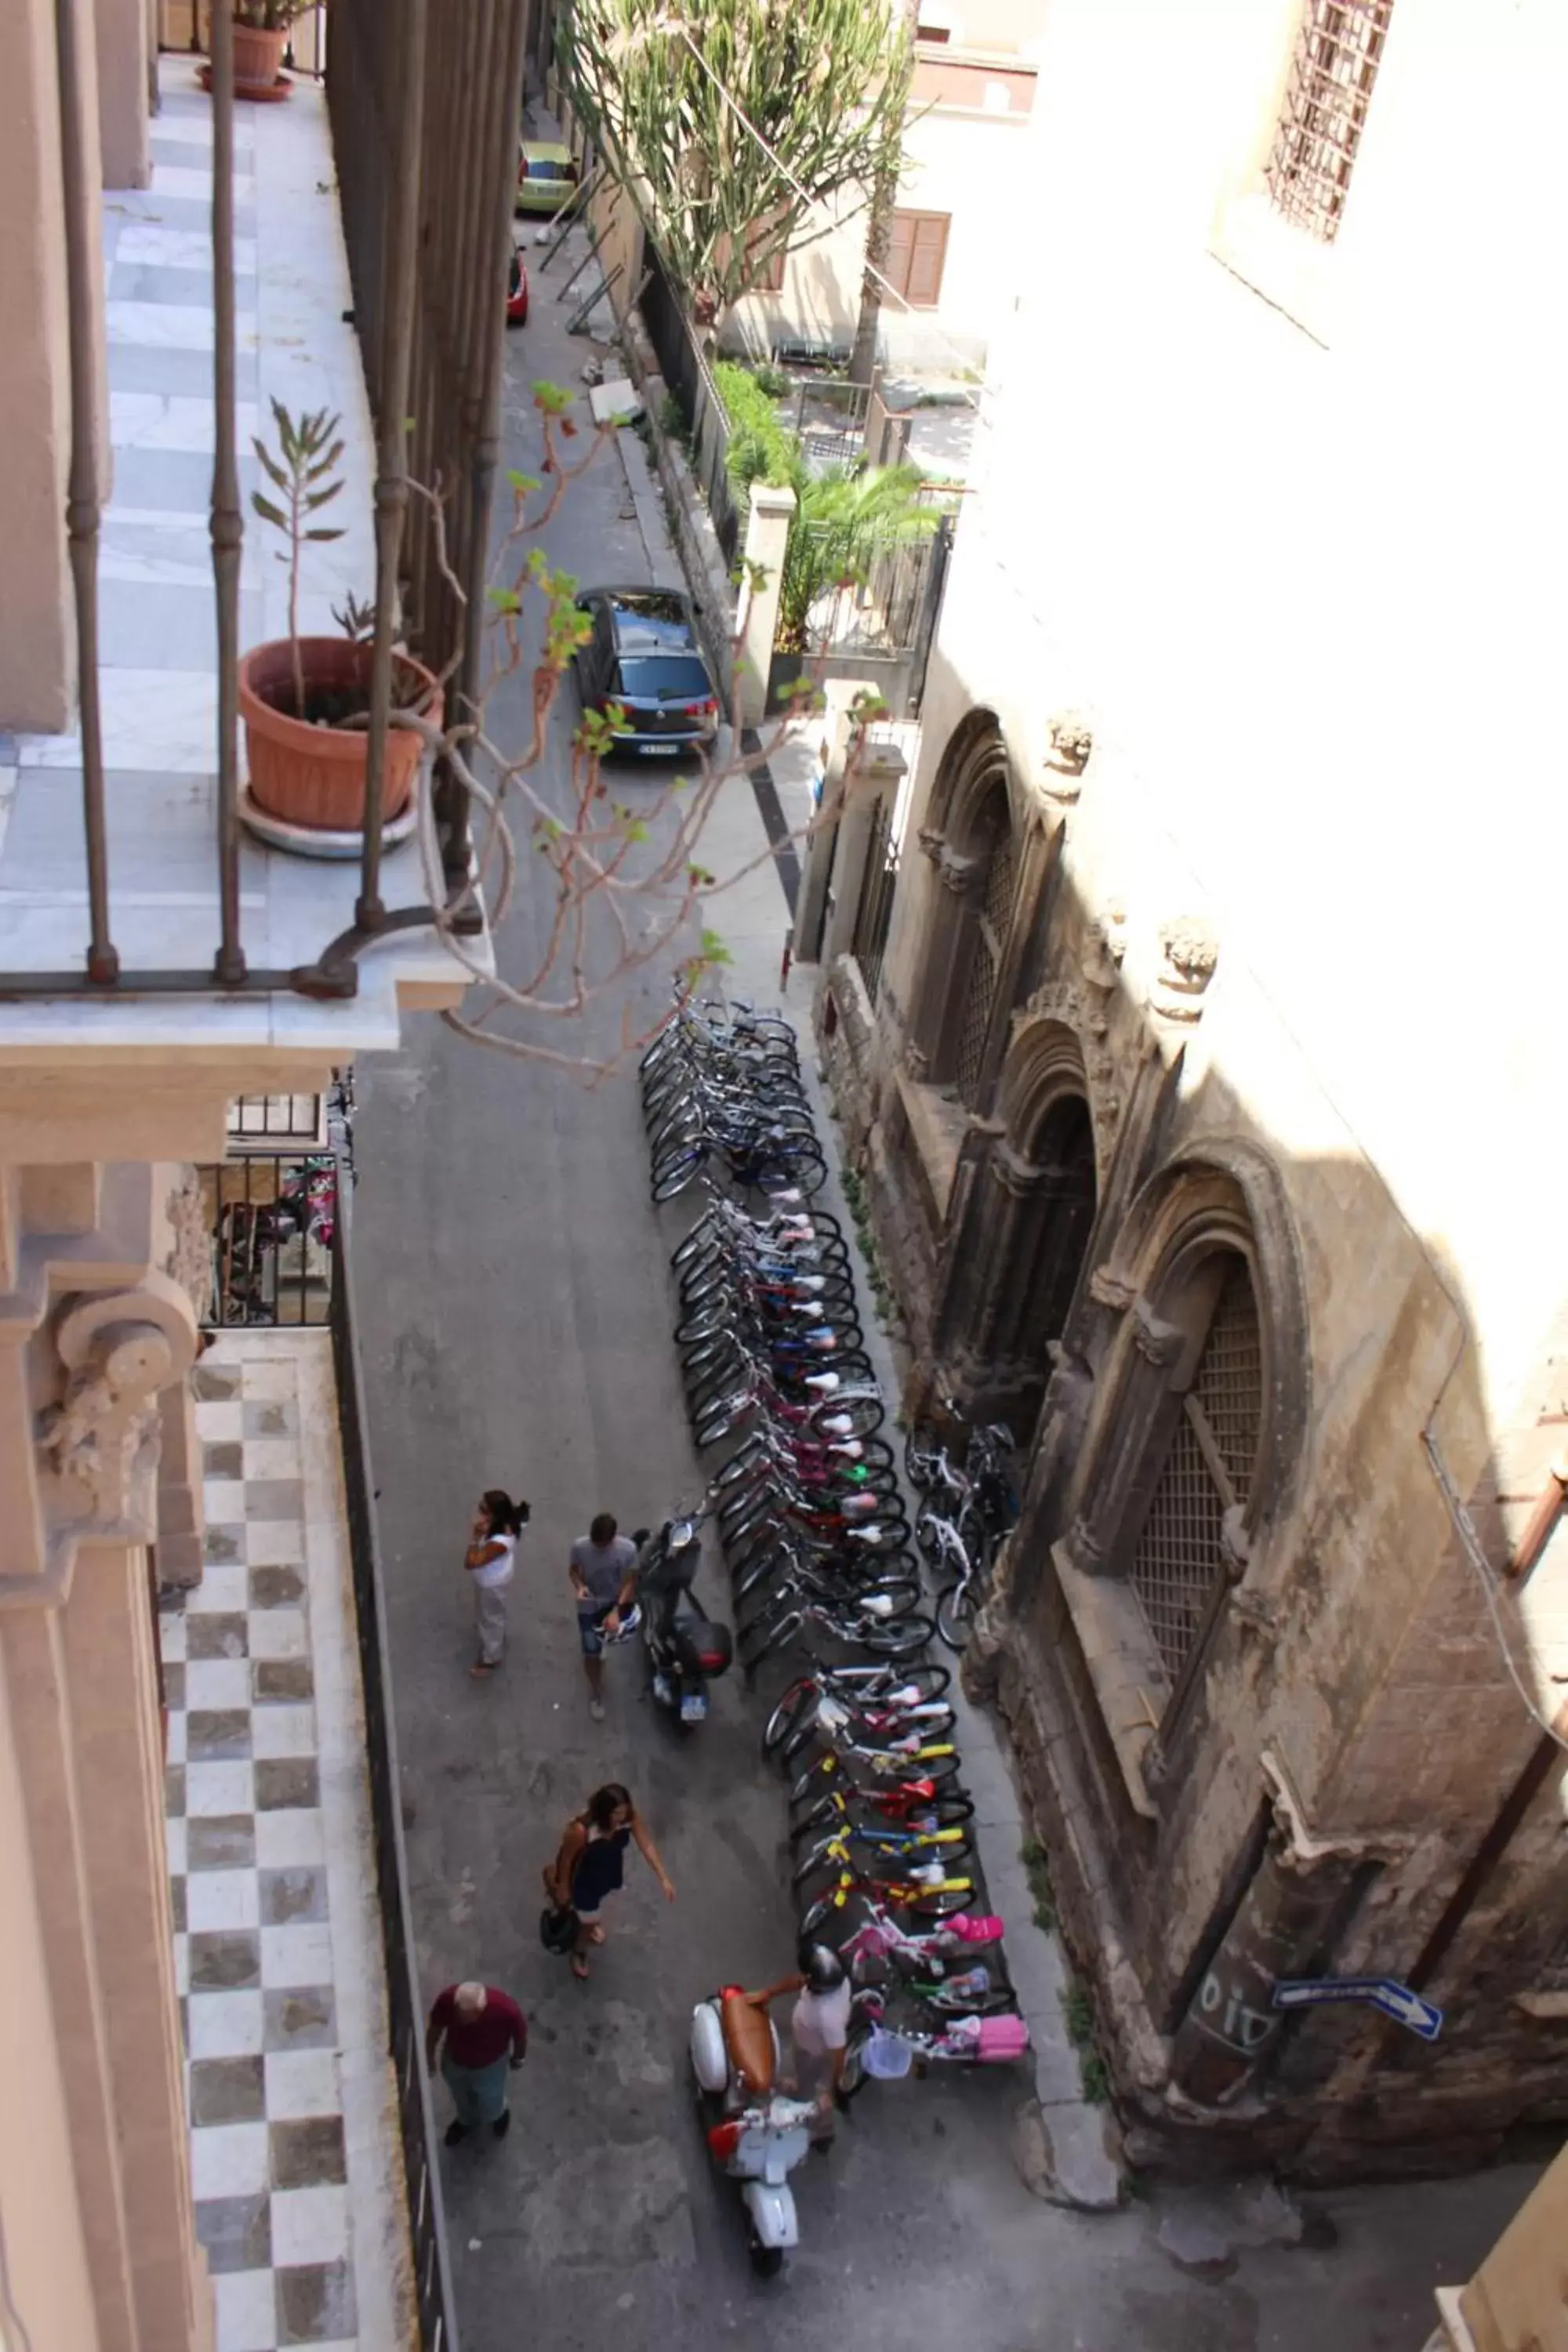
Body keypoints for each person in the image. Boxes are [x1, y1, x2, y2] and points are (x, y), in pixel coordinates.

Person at [544, 1782, 674, 1982]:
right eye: (617, 1813)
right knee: (588, 1919)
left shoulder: (628, 1818)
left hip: (607, 1871)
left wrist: (663, 1877)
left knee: (591, 1911)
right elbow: (567, 1859)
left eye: (624, 1811)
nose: (622, 1818)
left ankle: (588, 1921)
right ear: (604, 1811)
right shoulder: (582, 1831)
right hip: (584, 1881)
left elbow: (646, 1844)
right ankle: (580, 1951)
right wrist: (563, 1886)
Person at [743, 1943, 852, 2146]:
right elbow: (799, 1981)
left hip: (814, 2055)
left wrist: (830, 2089)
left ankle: (823, 2133)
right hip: (808, 2043)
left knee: (814, 2100)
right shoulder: (836, 1978)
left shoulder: (828, 2018)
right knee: (804, 2077)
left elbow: (837, 2055)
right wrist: (768, 1993)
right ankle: (802, 2084)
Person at [424, 1980, 528, 2147]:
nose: (461, 2019)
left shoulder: (506, 2010)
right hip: (454, 2060)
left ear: (481, 2009)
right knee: (459, 2094)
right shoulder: (447, 2000)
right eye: (459, 2012)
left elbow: (520, 2036)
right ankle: (465, 2121)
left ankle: (498, 2115)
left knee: (491, 2098)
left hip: (490, 2066)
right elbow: (435, 2029)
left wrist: (519, 2058)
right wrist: (429, 2057)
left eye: (468, 2016)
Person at [568, 1512, 640, 1721]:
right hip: (589, 1604)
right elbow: (573, 1571)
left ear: (613, 1539)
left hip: (613, 1603)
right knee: (591, 1651)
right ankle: (597, 1690)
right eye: (595, 1544)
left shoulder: (627, 1550)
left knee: (605, 1640)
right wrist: (580, 1586)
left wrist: (617, 1611)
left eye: (603, 1546)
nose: (598, 1548)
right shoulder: (580, 1546)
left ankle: (602, 1649)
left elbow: (630, 1582)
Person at [465, 1489, 528, 1679]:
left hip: (491, 1583)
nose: (480, 1512)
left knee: (491, 1619)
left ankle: (491, 1658)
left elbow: (470, 1562)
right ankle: (494, 1639)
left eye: (484, 1509)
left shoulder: (499, 1543)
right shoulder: (509, 1525)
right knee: (492, 1614)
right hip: (495, 1578)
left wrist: (475, 1537)